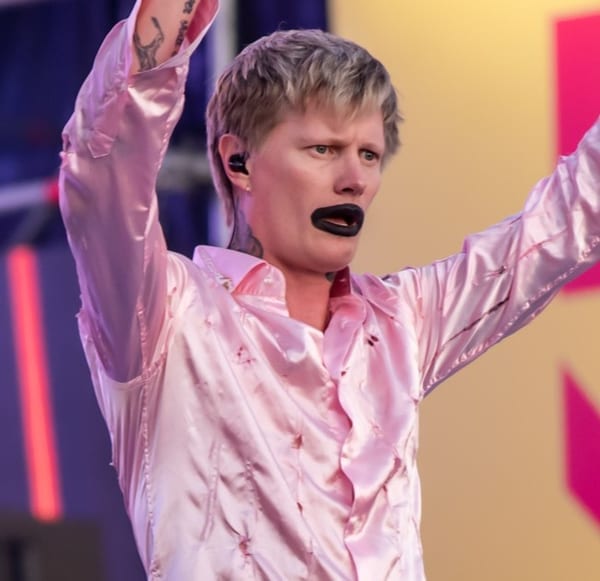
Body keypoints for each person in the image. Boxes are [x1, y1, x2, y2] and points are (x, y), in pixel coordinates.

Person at [58, 0, 600, 579]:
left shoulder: (400, 319)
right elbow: (104, 161)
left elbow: (566, 220)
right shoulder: (166, 315)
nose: (355, 179)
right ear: (239, 162)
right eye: (324, 149)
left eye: (369, 154)